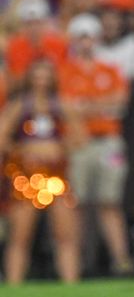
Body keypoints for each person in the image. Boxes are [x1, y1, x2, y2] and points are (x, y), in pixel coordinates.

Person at [59, 14, 133, 276]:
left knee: (109, 202)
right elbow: (68, 108)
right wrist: (99, 107)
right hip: (80, 143)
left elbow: (120, 104)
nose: (86, 42)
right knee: (76, 204)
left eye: (90, 36)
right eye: (81, 36)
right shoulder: (65, 71)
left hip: (107, 142)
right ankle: (75, 264)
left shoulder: (109, 69)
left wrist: (85, 107)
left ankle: (121, 260)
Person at [0, 59, 81, 284]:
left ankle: (71, 285)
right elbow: (2, 137)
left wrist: (59, 148)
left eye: (45, 75)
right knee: (20, 236)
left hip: (57, 177)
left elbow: (80, 137)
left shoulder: (62, 105)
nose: (41, 81)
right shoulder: (19, 106)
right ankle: (14, 285)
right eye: (37, 75)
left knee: (66, 235)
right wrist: (23, 150)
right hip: (26, 178)